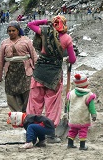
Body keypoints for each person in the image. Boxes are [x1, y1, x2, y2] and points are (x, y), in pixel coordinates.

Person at [26, 15, 76, 143]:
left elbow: (31, 24)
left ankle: (31, 129)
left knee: (35, 102)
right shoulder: (67, 38)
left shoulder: (45, 32)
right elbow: (72, 59)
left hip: (39, 73)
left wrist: (44, 21)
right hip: (54, 75)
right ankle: (50, 133)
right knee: (52, 104)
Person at [0, 21, 37, 112]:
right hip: (10, 72)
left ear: (18, 31)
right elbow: (0, 60)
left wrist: (37, 72)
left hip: (25, 71)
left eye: (13, 30)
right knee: (11, 94)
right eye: (9, 31)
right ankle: (16, 113)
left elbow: (34, 56)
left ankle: (26, 112)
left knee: (27, 91)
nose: (11, 33)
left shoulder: (26, 41)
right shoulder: (4, 43)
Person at [66, 73, 97, 151]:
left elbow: (68, 104)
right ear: (86, 84)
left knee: (72, 130)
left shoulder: (71, 93)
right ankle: (82, 146)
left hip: (73, 116)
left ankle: (70, 143)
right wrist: (93, 114)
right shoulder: (89, 95)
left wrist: (68, 112)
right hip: (83, 117)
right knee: (83, 131)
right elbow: (91, 107)